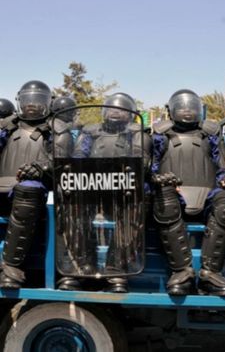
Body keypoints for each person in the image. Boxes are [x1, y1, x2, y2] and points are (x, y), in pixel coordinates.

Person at [58, 92, 149, 293]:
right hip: (92, 185)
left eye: (121, 109)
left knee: (131, 210)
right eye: (112, 108)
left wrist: (130, 170)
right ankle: (80, 266)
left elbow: (140, 156)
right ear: (104, 111)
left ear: (131, 114)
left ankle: (116, 268)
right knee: (74, 204)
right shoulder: (91, 132)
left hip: (121, 188)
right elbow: (79, 154)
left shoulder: (136, 132)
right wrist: (76, 168)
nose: (115, 112)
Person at [151, 89, 225, 296]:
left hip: (207, 193)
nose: (187, 111)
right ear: (172, 110)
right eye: (182, 107)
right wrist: (158, 179)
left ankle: (210, 273)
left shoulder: (210, 133)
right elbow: (151, 168)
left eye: (191, 107)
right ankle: (182, 272)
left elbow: (221, 168)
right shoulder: (160, 134)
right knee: (164, 200)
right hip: (173, 193)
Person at [0, 81, 72, 289]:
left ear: (47, 102)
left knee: (28, 188)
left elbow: (62, 159)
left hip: (37, 187)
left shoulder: (56, 128)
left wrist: (41, 168)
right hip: (3, 184)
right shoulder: (7, 125)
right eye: (27, 100)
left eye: (37, 101)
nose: (31, 105)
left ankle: (11, 266)